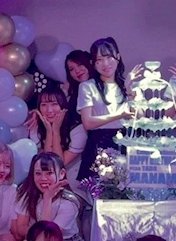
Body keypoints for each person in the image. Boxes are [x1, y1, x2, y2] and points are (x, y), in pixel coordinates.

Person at [12, 152, 84, 241]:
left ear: (61, 174)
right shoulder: (27, 194)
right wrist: (34, 237)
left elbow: (48, 236)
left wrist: (47, 200)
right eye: (38, 173)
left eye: (49, 173)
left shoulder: (69, 202)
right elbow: (20, 228)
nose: (43, 178)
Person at [76, 38, 135, 181]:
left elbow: (139, 117)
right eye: (99, 60)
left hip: (126, 143)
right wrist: (118, 115)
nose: (105, 64)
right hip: (99, 143)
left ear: (118, 57)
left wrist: (130, 92)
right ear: (94, 64)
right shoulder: (87, 86)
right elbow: (87, 123)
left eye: (109, 57)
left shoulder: (127, 84)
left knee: (126, 189)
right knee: (99, 191)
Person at [31, 86, 88, 189]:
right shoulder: (35, 127)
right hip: (46, 180)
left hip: (73, 179)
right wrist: (49, 132)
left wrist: (56, 132)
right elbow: (47, 163)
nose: (49, 110)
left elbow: (58, 164)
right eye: (44, 105)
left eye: (54, 104)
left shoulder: (77, 129)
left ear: (62, 106)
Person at [63, 49, 94, 127]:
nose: (77, 71)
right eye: (71, 69)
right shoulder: (74, 94)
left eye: (79, 64)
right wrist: (64, 91)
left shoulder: (102, 84)